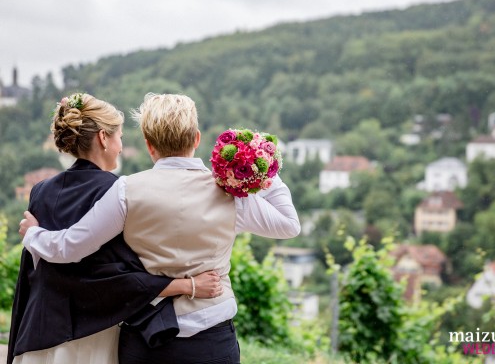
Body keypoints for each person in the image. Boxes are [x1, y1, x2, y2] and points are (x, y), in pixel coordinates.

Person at [20, 93, 301, 364]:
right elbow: (289, 225)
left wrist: (34, 234)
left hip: (145, 341)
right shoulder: (227, 191)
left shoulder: (125, 190)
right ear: (197, 138)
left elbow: (70, 247)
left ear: (148, 145)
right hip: (212, 339)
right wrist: (261, 166)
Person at [9, 93, 222, 364]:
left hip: (38, 334)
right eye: (120, 136)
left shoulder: (40, 191)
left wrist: (33, 235)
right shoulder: (118, 192)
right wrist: (186, 284)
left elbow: (35, 273)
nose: (121, 146)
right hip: (91, 337)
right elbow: (117, 278)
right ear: (103, 137)